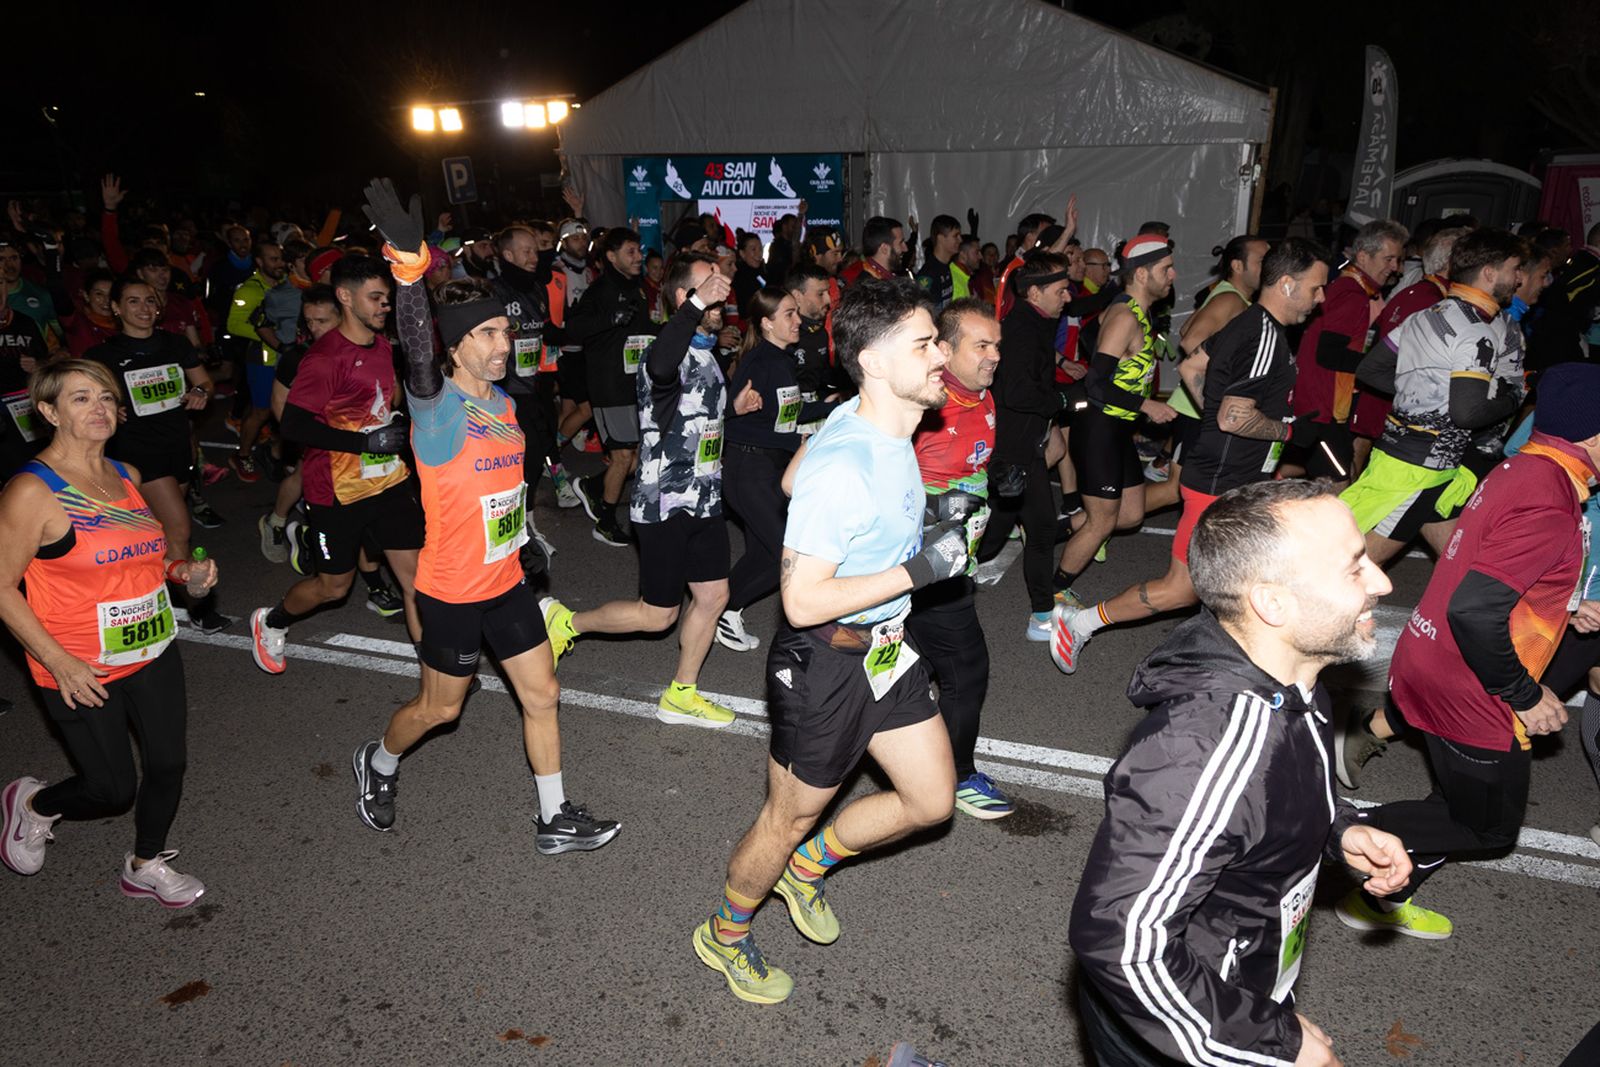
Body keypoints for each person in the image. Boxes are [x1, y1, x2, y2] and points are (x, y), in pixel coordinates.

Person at [691, 277, 969, 1005]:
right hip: (823, 665)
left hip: (885, 650)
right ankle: (723, 933)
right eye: (925, 343)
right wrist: (915, 566)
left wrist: (925, 515)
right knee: (785, 818)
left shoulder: (870, 422)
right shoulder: (849, 461)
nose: (943, 354)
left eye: (938, 339)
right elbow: (801, 598)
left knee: (931, 798)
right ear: (873, 360)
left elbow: (789, 478)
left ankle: (807, 869)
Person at [1068, 478, 1411, 1067]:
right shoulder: (1201, 748)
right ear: (1272, 603)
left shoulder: (1294, 679)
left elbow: (1264, 798)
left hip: (1236, 980)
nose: (1382, 582)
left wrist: (1339, 830)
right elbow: (1124, 943)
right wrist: (1272, 1041)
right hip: (1181, 1021)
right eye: (1354, 567)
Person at [346, 179, 618, 851]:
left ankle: (553, 817)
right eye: (491, 332)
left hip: (506, 583)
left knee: (543, 693)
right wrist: (411, 275)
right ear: (459, 342)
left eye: (506, 328)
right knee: (441, 708)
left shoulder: (502, 403)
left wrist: (525, 536)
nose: (506, 340)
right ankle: (378, 761)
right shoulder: (437, 410)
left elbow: (503, 491)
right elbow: (414, 346)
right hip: (453, 591)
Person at [1333, 362, 1600, 942]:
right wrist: (1525, 696)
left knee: (1453, 796)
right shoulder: (1552, 499)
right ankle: (1324, 829)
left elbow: (1489, 573)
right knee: (1487, 829)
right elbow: (1476, 610)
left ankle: (1383, 895)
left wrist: (1562, 604)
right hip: (1470, 687)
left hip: (1427, 660)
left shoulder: (1525, 467)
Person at [1053, 238, 1329, 675]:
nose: (1321, 298)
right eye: (1316, 288)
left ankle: (1233, 664)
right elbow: (1236, 416)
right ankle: (1080, 621)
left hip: (1230, 470)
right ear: (1289, 285)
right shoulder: (1259, 333)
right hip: (1218, 478)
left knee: (1243, 578)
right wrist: (1289, 430)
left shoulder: (1253, 323)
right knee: (1181, 589)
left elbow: (1191, 367)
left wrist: (1212, 417)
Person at [0, 359, 218, 906]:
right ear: (48, 411)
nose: (99, 408)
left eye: (104, 397)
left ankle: (146, 863)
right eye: (79, 399)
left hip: (153, 646)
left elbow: (143, 561)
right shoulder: (33, 491)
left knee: (169, 764)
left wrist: (181, 574)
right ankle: (34, 806)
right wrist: (58, 662)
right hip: (80, 665)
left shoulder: (127, 475)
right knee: (110, 790)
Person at [541, 254, 760, 727]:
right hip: (664, 503)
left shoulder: (705, 350)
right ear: (684, 298)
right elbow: (662, 370)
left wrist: (732, 411)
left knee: (712, 597)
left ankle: (682, 693)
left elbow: (687, 418)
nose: (720, 293)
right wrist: (699, 302)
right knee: (657, 616)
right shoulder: (666, 347)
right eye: (707, 287)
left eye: (720, 286)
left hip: (703, 499)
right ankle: (565, 622)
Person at [248, 255, 424, 674]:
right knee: (334, 587)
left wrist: (395, 425)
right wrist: (363, 441)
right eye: (376, 297)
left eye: (388, 297)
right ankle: (272, 620)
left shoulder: (381, 345)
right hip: (336, 490)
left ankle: (436, 667)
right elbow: (292, 424)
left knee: (417, 582)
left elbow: (381, 405)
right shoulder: (325, 357)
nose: (385, 305)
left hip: (389, 483)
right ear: (345, 297)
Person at [1340, 228, 1528, 565]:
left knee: (1461, 560)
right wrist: (1513, 397)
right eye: (1515, 268)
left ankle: (1471, 609)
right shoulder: (1476, 332)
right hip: (1422, 468)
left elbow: (1370, 370)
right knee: (1354, 567)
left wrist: (1423, 393)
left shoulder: (1426, 316)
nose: (1519, 279)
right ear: (1489, 273)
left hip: (1399, 455)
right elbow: (1467, 413)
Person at [908, 297, 1011, 818]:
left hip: (956, 563)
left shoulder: (983, 396)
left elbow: (964, 466)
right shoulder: (923, 404)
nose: (994, 356)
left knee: (909, 664)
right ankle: (956, 776)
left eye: (997, 345)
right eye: (982, 346)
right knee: (966, 670)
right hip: (924, 569)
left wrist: (991, 487)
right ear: (944, 350)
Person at [84, 278, 226, 634]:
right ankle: (195, 603)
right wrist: (109, 408)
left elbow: (205, 383)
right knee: (178, 526)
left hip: (177, 445)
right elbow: (84, 398)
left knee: (157, 527)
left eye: (150, 301)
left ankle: (153, 585)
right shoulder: (102, 355)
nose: (144, 309)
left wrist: (199, 392)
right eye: (133, 301)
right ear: (116, 308)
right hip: (136, 451)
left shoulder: (175, 344)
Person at [1052, 236, 1178, 607]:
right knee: (1102, 521)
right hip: (1100, 430)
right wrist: (1146, 405)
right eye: (1165, 269)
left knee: (1131, 514)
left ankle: (1048, 529)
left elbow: (1093, 336)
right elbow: (1095, 382)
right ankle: (1053, 590)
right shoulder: (1125, 316)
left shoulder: (1134, 310)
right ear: (1141, 274)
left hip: (1118, 430)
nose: (1173, 275)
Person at [720, 286, 838, 651]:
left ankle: (720, 610)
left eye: (795, 313)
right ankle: (722, 610)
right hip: (748, 466)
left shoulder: (778, 359)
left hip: (767, 466)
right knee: (782, 555)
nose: (797, 320)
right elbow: (730, 408)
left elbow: (787, 414)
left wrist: (828, 406)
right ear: (767, 323)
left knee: (761, 552)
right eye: (788, 314)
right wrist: (833, 409)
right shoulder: (761, 361)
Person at [976, 251, 1077, 639]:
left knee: (1035, 529)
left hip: (1023, 447)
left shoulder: (1033, 323)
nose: (1066, 297)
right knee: (991, 539)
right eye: (1060, 290)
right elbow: (1018, 392)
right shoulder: (1021, 330)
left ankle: (1041, 617)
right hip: (1010, 449)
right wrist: (1061, 403)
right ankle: (926, 579)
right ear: (1034, 292)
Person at [1285, 219, 1406, 483]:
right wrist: (1379, 365)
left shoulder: (1349, 288)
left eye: (1397, 260)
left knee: (1328, 478)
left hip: (1321, 405)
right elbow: (1328, 353)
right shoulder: (1352, 295)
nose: (1395, 267)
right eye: (1388, 259)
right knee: (1338, 487)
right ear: (1363, 256)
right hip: (1323, 409)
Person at [1346, 226, 1471, 458]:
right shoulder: (1429, 301)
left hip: (1386, 393)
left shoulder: (1419, 293)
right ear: (1452, 263)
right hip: (1389, 395)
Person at [567, 227, 656, 547]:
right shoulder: (600, 290)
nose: (638, 257)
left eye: (639, 251)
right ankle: (605, 522)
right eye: (630, 252)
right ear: (611, 256)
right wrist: (610, 319)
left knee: (636, 458)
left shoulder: (641, 289)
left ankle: (593, 487)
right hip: (609, 385)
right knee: (622, 457)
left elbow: (644, 332)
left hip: (636, 385)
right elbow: (573, 328)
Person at [223, 238, 288, 483]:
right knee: (261, 411)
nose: (280, 263)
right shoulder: (249, 290)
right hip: (262, 359)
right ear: (259, 262)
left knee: (283, 410)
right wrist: (271, 336)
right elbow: (234, 324)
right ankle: (242, 455)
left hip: (285, 358)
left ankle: (276, 451)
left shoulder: (286, 285)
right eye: (273, 259)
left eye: (281, 258)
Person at [1528, 221, 1599, 375]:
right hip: (1557, 341)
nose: (1570, 250)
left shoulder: (1580, 263)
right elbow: (1567, 301)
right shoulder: (1589, 267)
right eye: (1567, 245)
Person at [1, 296, 49, 477]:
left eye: (1, 282)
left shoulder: (25, 322)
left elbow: (48, 362)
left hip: (26, 408)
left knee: (37, 469)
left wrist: (37, 366)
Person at [64, 268, 118, 357]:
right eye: (99, 294)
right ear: (86, 296)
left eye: (111, 294)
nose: (107, 300)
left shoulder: (126, 322)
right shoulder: (78, 322)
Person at [914, 215, 963, 312]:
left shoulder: (946, 267)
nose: (960, 240)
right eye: (955, 236)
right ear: (940, 238)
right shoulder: (928, 274)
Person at [839, 217, 907, 287]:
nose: (905, 249)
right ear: (884, 248)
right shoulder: (859, 282)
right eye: (901, 242)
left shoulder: (891, 276)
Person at [732, 231, 766, 314]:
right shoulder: (738, 277)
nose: (759, 254)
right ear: (742, 253)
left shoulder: (762, 272)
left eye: (760, 249)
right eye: (753, 249)